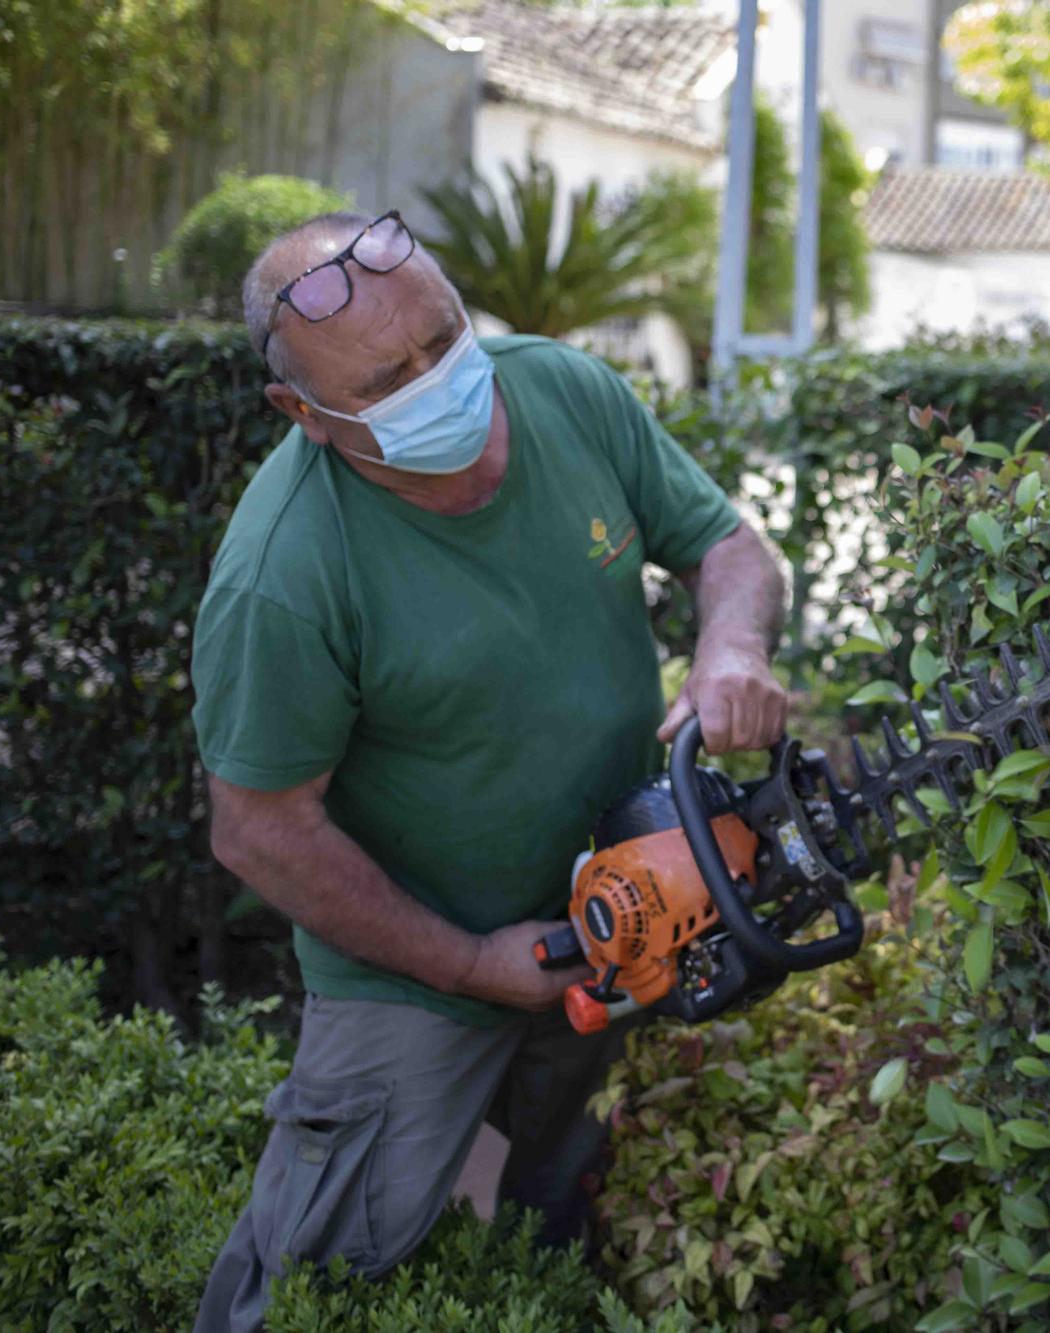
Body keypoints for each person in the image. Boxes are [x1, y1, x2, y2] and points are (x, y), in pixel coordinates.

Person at [190, 209, 788, 1331]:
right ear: (303, 415)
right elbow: (260, 827)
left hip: (624, 897)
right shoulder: (283, 573)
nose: (439, 384)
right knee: (320, 1266)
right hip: (414, 965)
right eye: (386, 381)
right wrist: (468, 960)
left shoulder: (561, 389)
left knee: (568, 1217)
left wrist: (732, 647)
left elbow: (728, 543)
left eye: (443, 341)